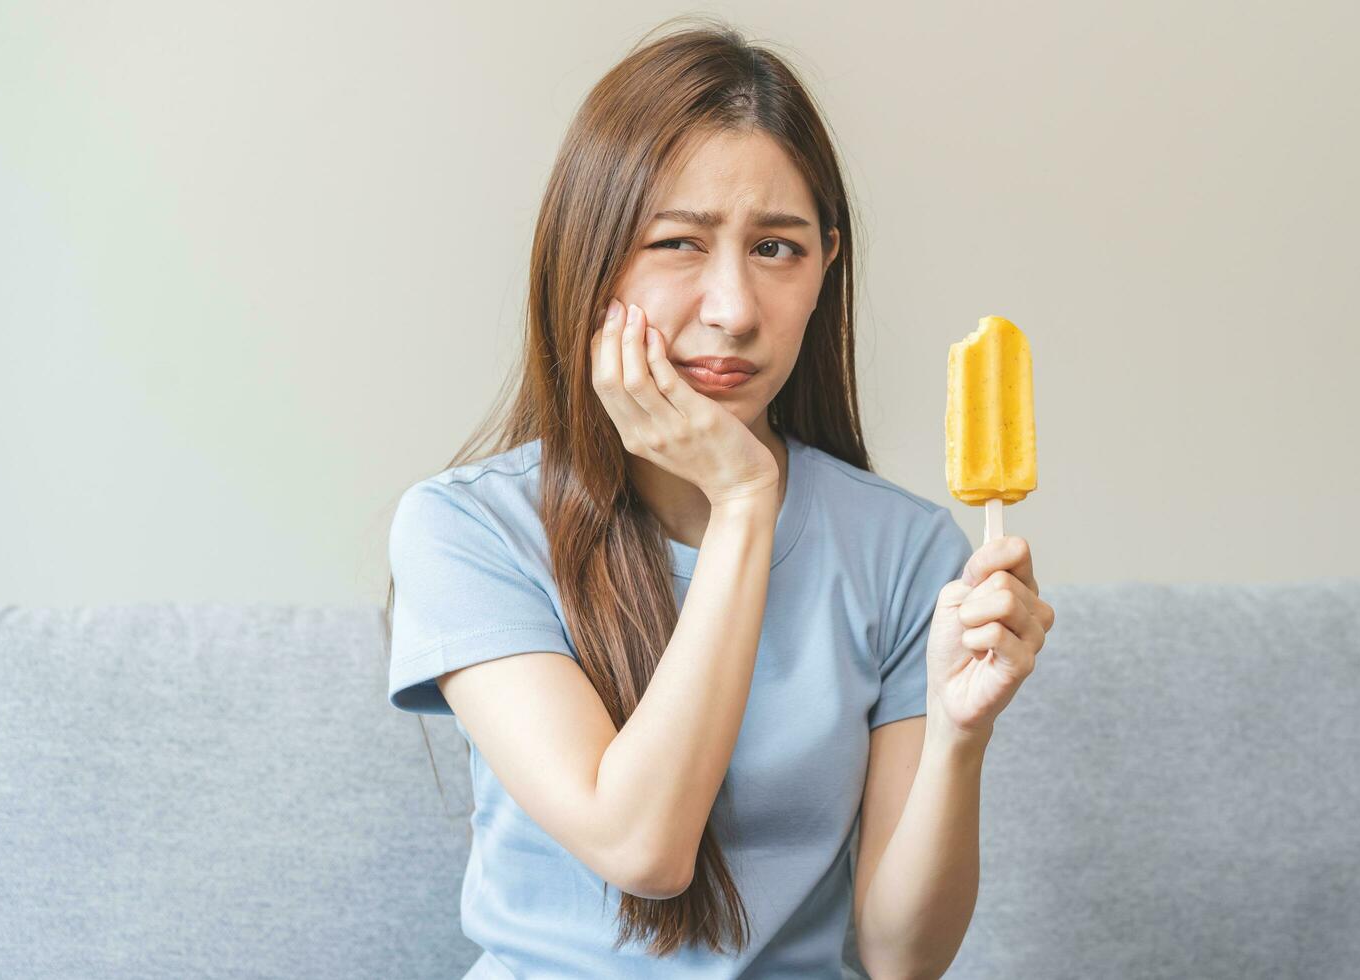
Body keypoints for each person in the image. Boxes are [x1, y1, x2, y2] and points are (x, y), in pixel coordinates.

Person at [384, 16, 1055, 979]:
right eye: (677, 243)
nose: (734, 309)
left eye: (777, 248)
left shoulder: (907, 550)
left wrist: (957, 735)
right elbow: (642, 849)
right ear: (588, 259)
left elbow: (902, 957)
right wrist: (744, 500)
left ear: (827, 263)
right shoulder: (465, 530)